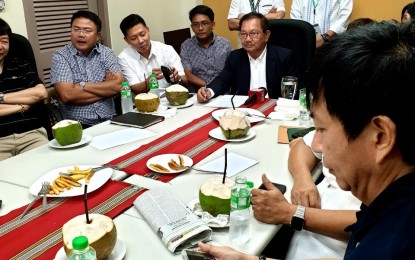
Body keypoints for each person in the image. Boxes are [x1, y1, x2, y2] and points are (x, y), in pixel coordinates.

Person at [198, 20, 415, 259]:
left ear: (381, 136)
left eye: (321, 129)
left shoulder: (390, 248)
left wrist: (291, 213)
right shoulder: (390, 205)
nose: (317, 145)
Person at [197, 12, 296, 103]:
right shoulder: (235, 57)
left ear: (266, 35)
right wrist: (208, 91)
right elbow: (222, 80)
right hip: (244, 110)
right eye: (243, 34)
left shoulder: (284, 57)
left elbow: (293, 93)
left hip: (274, 111)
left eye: (253, 33)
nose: (248, 39)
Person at [50, 10, 123, 128]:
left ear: (98, 36)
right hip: (77, 125)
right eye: (76, 29)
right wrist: (106, 88)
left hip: (110, 120)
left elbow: (119, 85)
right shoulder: (61, 56)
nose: (81, 34)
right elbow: (67, 95)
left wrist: (83, 86)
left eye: (87, 30)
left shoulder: (106, 53)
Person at [0, 18, 48, 161]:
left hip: (31, 135)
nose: (0, 46)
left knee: (48, 170)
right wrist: (22, 105)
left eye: (4, 41)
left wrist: (1, 98)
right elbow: (33, 97)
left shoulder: (20, 65)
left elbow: (41, 93)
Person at [118, 14, 187, 95]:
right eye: (133, 38)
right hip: (144, 102)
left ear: (148, 30)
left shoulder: (166, 50)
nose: (140, 41)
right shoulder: (124, 58)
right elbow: (136, 89)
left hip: (172, 98)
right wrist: (151, 79)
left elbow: (185, 81)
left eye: (143, 34)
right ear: (126, 40)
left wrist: (177, 78)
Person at [180, 5, 232, 91]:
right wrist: (209, 87)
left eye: (204, 23)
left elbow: (231, 72)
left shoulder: (225, 44)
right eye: (196, 24)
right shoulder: (186, 46)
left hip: (223, 91)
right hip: (198, 91)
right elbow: (187, 75)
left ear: (213, 25)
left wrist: (216, 88)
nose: (200, 28)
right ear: (192, 27)